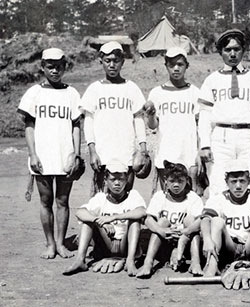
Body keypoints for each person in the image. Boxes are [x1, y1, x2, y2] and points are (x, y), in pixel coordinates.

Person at [19, 48, 82, 259]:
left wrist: (76, 154)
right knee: (46, 200)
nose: (55, 70)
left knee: (63, 201)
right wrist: (33, 154)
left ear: (65, 66)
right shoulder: (34, 93)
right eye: (50, 66)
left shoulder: (72, 93)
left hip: (65, 155)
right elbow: (29, 127)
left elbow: (76, 126)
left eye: (59, 66)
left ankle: (61, 243)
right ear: (43, 67)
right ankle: (49, 244)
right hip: (43, 156)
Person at [198, 29, 250, 196]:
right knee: (218, 182)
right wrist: (205, 145)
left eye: (236, 49)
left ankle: (249, 219)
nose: (232, 54)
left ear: (243, 50)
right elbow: (205, 115)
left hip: (247, 136)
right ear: (220, 52)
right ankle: (218, 220)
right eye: (227, 50)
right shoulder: (212, 80)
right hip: (221, 136)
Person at [80, 41, 149, 194]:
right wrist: (92, 151)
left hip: (126, 153)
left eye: (116, 61)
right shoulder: (94, 89)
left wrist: (143, 150)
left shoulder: (131, 88)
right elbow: (88, 123)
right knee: (101, 198)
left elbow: (138, 120)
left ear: (122, 62)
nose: (112, 65)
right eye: (108, 61)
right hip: (103, 154)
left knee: (126, 195)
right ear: (101, 62)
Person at [63, 162, 146, 276]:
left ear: (126, 180)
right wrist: (99, 222)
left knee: (134, 221)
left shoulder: (133, 195)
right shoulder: (100, 198)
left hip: (125, 244)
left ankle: (130, 261)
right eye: (113, 179)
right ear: (106, 181)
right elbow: (80, 212)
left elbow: (142, 212)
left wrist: (113, 217)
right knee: (88, 221)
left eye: (121, 179)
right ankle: (80, 260)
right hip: (106, 244)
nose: (117, 183)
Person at [200, 160, 250, 276]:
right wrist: (207, 239)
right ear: (226, 182)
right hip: (229, 247)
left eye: (242, 181)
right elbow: (205, 219)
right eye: (233, 181)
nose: (238, 186)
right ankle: (212, 266)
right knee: (216, 221)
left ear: (249, 181)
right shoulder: (218, 198)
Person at [143, 47, 203, 195]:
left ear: (186, 66)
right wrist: (150, 115)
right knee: (167, 199)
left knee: (191, 199)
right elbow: (153, 126)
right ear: (166, 66)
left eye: (180, 64)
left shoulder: (195, 92)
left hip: (188, 155)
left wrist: (200, 152)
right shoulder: (157, 93)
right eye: (171, 65)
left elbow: (201, 126)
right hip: (166, 154)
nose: (176, 68)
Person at [135, 161, 204, 278]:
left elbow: (201, 221)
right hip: (164, 242)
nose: (176, 185)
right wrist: (161, 230)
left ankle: (195, 262)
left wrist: (185, 232)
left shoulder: (192, 197)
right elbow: (148, 219)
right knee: (162, 221)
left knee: (190, 219)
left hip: (186, 241)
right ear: (165, 181)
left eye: (180, 181)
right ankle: (148, 263)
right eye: (172, 181)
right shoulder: (159, 197)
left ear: (187, 180)